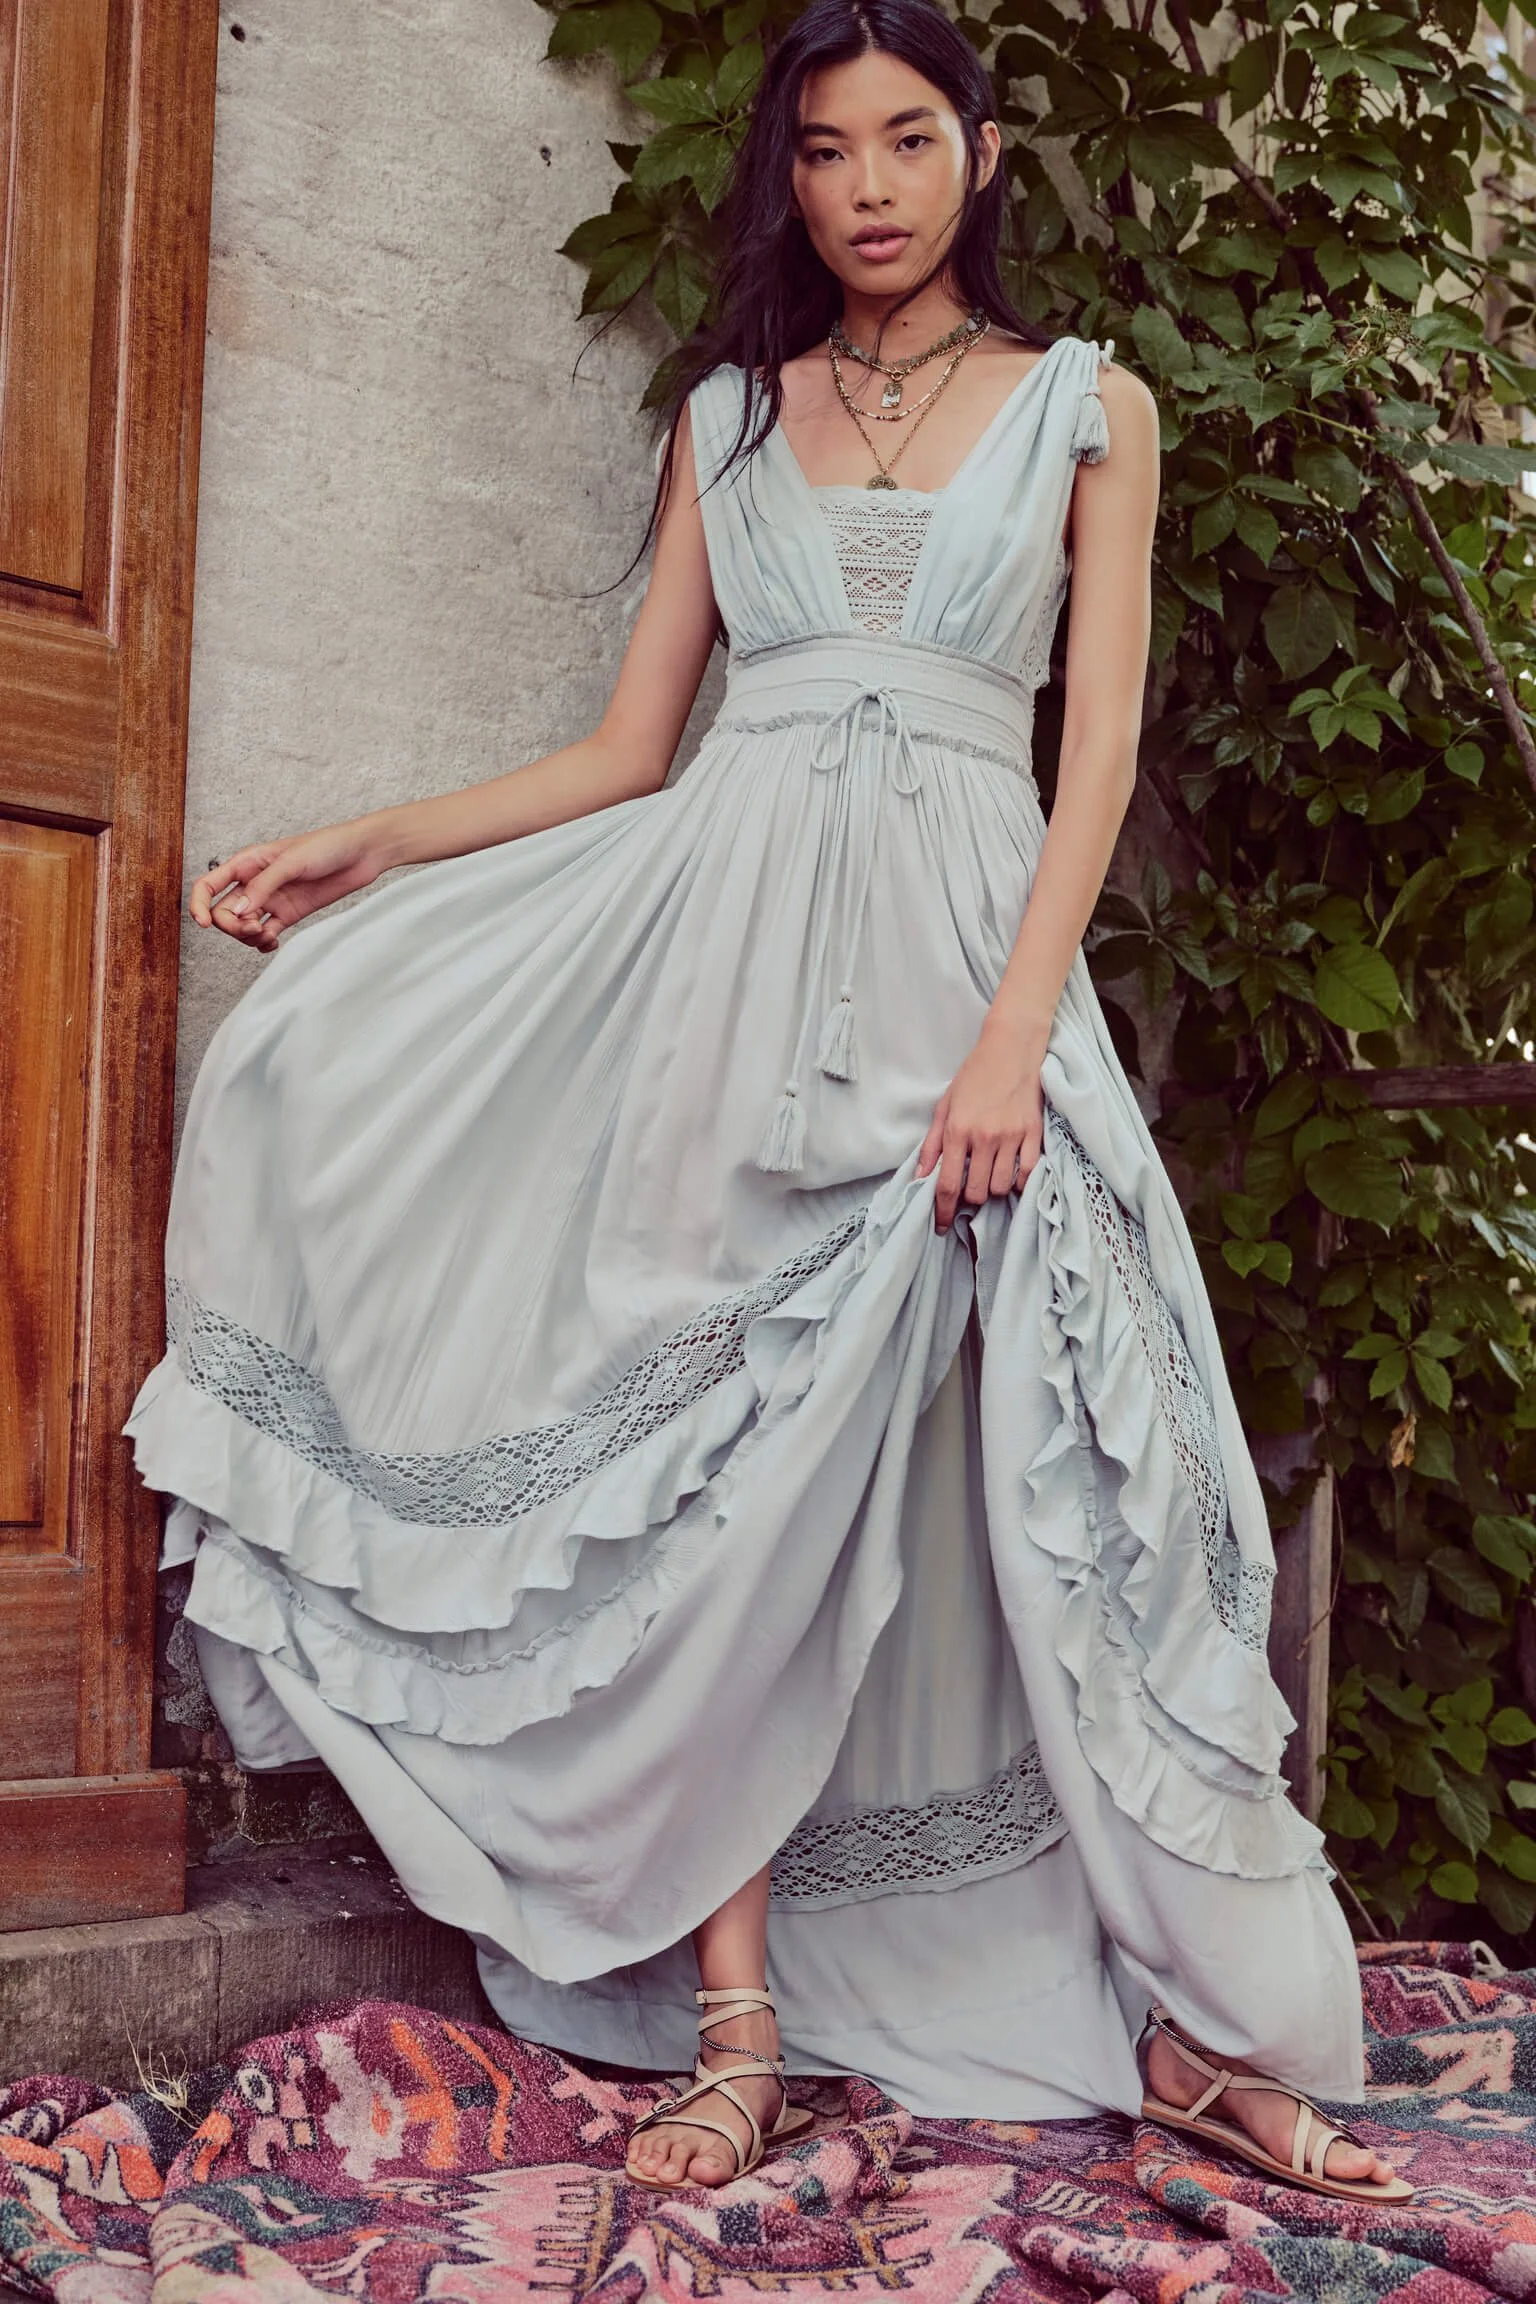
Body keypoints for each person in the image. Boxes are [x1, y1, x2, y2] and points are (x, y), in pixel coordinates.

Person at [125, 0, 1407, 2204]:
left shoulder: (1093, 412)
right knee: (729, 1509)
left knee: (1075, 1490)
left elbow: (1084, 758)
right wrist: (378, 841)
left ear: (984, 155)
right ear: (792, 180)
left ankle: (1192, 2031)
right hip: (721, 980)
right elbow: (635, 751)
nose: (874, 185)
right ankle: (738, 2018)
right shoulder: (729, 412)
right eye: (830, 150)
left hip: (965, 974)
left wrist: (1015, 1033)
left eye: (913, 139)